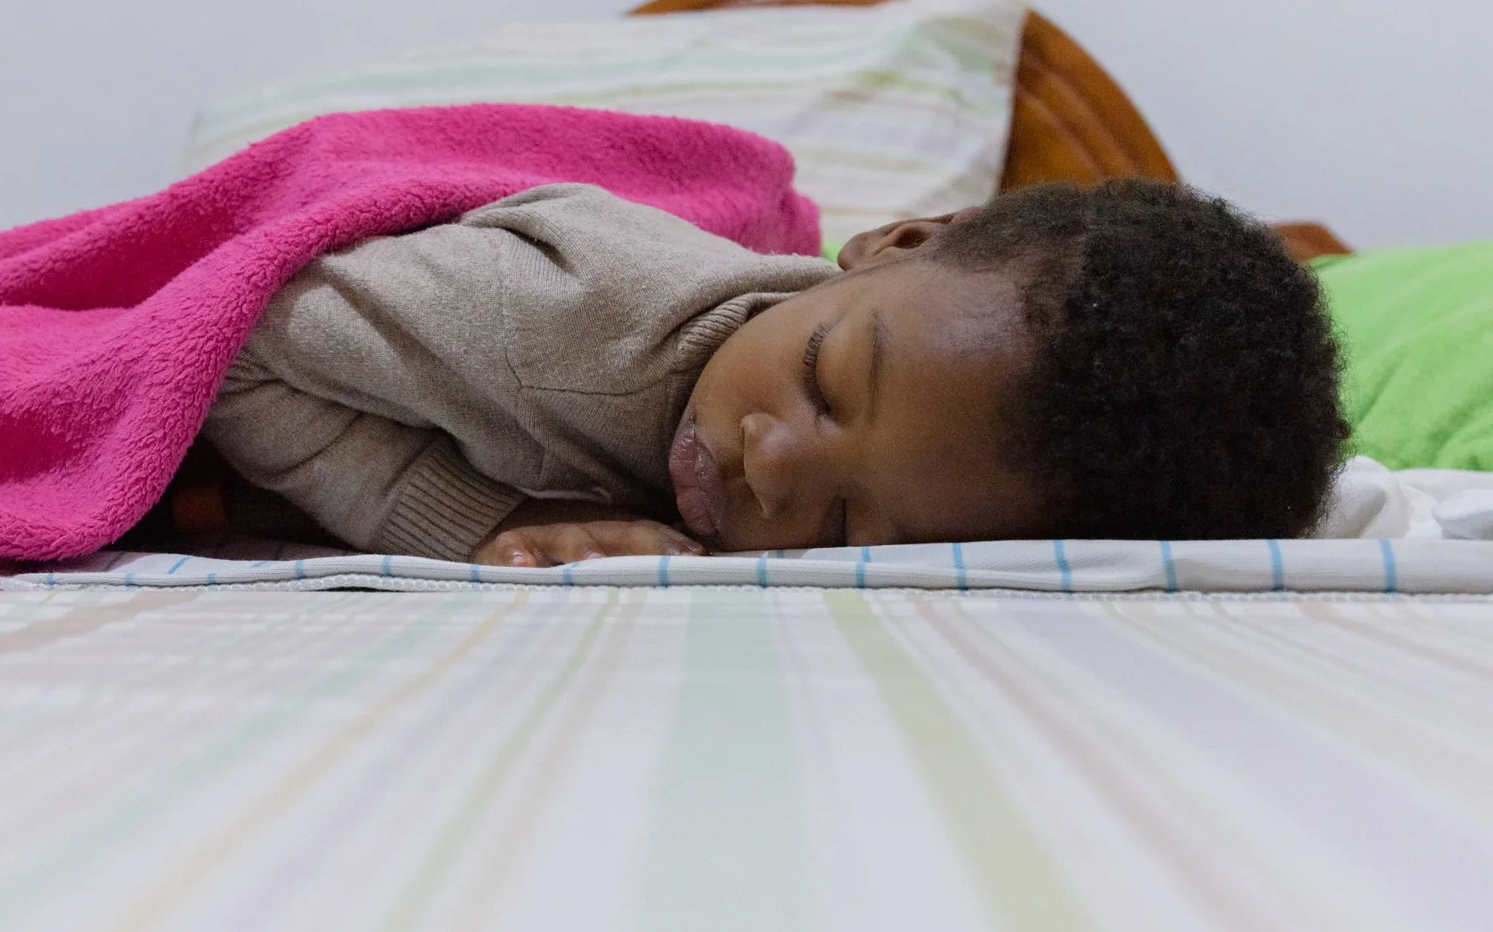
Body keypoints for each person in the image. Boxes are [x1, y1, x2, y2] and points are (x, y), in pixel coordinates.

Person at [202, 178, 1347, 567]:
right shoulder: (546, 322)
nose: (773, 464)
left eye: (848, 526)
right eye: (823, 375)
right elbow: (243, 343)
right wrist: (484, 521)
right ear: (894, 238)